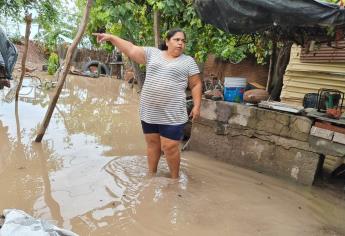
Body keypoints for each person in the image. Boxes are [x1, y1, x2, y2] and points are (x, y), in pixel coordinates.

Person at [93, 28, 202, 179]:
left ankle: (175, 179)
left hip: (173, 113)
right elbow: (130, 48)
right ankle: (151, 176)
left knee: (169, 147)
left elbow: (196, 84)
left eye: (183, 41)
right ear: (167, 41)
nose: (180, 43)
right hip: (149, 111)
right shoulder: (153, 54)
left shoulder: (188, 61)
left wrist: (197, 105)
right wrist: (111, 37)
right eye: (177, 40)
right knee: (152, 144)